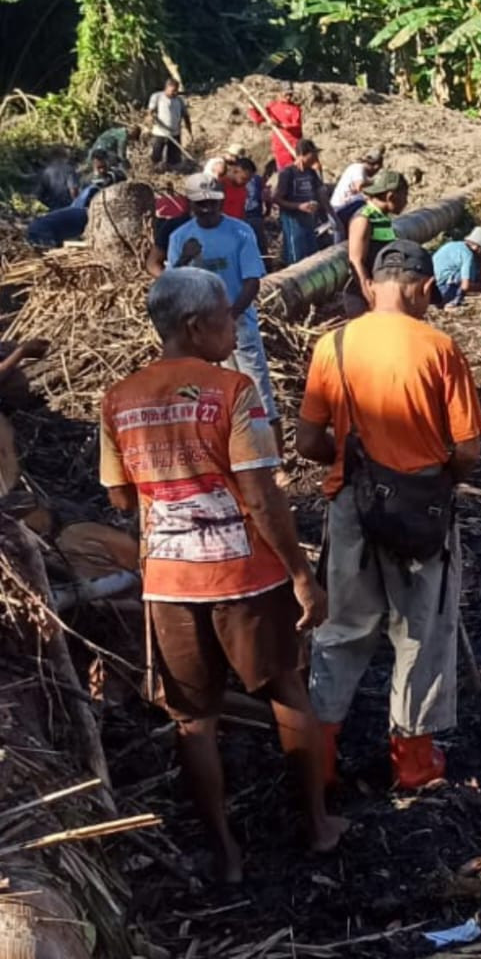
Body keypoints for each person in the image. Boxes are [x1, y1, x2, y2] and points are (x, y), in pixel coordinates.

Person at [101, 268, 344, 880]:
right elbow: (261, 496)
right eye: (225, 317)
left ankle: (227, 856)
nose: (232, 326)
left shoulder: (118, 398)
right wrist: (300, 574)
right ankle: (317, 826)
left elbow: (120, 500)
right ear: (195, 325)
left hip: (166, 582)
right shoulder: (234, 392)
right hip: (244, 577)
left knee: (195, 719)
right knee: (286, 690)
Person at [296, 240, 481, 790]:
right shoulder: (439, 348)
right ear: (423, 286)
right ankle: (413, 760)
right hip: (421, 512)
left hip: (351, 504)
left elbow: (308, 437)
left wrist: (347, 460)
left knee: (342, 630)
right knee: (420, 630)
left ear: (372, 284)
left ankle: (322, 756)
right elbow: (469, 450)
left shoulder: (333, 344)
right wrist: (438, 477)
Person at [158, 173, 285, 459]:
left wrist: (230, 316)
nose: (207, 209)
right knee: (208, 394)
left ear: (222, 202)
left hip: (238, 323)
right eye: (200, 204)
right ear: (189, 204)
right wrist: (183, 259)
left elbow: (252, 280)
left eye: (212, 203)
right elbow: (171, 283)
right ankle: (225, 455)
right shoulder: (180, 237)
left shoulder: (240, 232)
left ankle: (275, 462)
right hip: (199, 332)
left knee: (258, 390)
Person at [346, 168, 407, 315]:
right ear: (390, 196)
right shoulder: (364, 219)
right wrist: (369, 295)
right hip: (363, 298)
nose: (406, 201)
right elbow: (356, 261)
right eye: (404, 195)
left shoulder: (382, 218)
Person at [275, 139, 325, 266]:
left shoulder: (311, 173)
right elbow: (277, 198)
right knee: (295, 256)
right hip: (293, 221)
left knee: (311, 254)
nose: (316, 157)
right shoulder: (288, 173)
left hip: (309, 220)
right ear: (303, 154)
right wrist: (299, 206)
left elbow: (320, 193)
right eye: (313, 154)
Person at [331, 147, 384, 239]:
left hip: (345, 206)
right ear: (376, 166)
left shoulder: (360, 171)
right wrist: (375, 182)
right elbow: (359, 186)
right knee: (365, 202)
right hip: (340, 207)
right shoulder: (358, 169)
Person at [248, 84, 303, 172]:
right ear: (279, 93)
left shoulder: (294, 109)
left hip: (294, 146)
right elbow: (258, 119)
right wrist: (252, 108)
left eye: (290, 95)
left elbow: (296, 125)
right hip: (280, 147)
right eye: (286, 94)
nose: (288, 97)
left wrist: (280, 124)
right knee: (284, 172)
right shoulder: (272, 107)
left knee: (297, 171)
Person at [433, 227, 481, 309]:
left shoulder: (455, 245)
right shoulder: (467, 255)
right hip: (442, 289)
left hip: (432, 284)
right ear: (478, 247)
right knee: (466, 277)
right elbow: (465, 286)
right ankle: (449, 302)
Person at [147, 78, 192, 170]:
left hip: (175, 133)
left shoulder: (179, 100)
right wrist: (150, 116)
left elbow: (186, 116)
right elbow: (150, 111)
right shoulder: (157, 97)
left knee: (174, 160)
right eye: (173, 91)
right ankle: (156, 171)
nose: (175, 93)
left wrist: (189, 131)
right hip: (160, 132)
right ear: (166, 87)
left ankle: (172, 172)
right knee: (156, 156)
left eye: (176, 90)